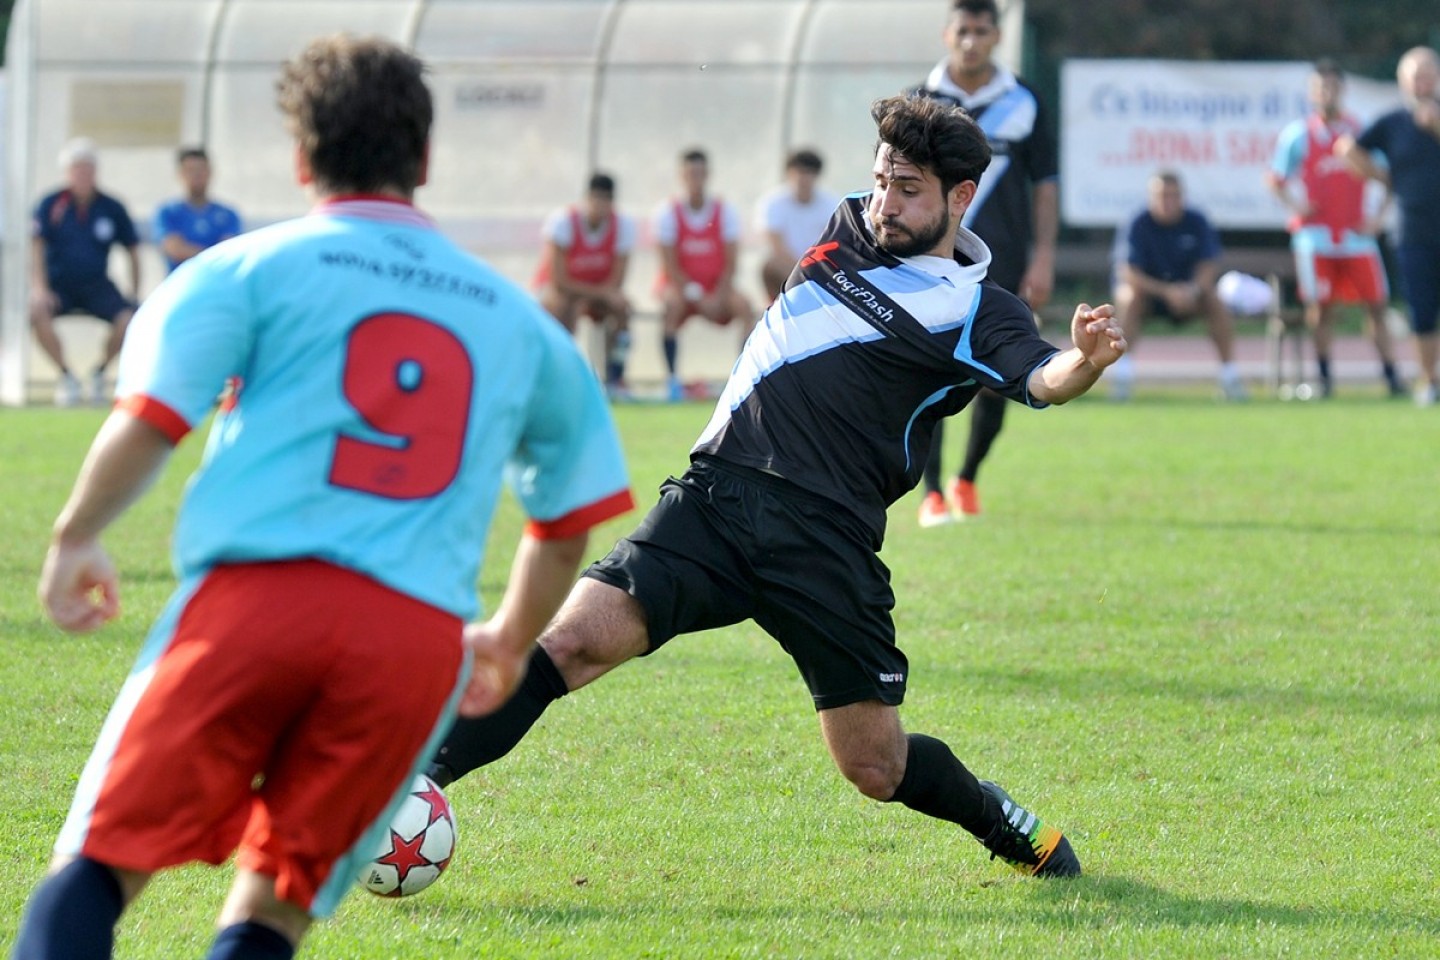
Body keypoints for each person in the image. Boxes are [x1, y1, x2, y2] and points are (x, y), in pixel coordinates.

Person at [11, 35, 633, 960]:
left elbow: (152, 419)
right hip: (409, 645)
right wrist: (506, 638)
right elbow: (565, 521)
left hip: (253, 606)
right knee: (272, 910)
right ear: (423, 160)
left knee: (100, 865)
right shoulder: (516, 321)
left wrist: (77, 535)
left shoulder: (244, 270)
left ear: (300, 157)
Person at [429, 93, 1132, 882]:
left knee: (875, 767)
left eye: (908, 191)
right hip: (715, 498)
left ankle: (1007, 824)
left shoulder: (976, 309)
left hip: (825, 543)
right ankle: (416, 785)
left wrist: (1086, 362)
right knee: (569, 643)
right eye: (879, 181)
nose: (884, 205)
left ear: (960, 199)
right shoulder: (845, 229)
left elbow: (1042, 377)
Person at [913, 0, 1058, 527]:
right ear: (947, 34)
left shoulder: (1023, 100)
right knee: (928, 373)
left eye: (982, 31)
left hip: (1007, 262)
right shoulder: (920, 101)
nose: (971, 41)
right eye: (963, 31)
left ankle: (967, 477)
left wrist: (1043, 256)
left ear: (997, 36)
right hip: (931, 262)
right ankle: (930, 493)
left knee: (999, 371)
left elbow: (1046, 187)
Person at [1267, 61, 1405, 399]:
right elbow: (1276, 179)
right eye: (1320, 87)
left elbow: (1387, 176)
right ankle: (1326, 379)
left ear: (1342, 90)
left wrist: (1378, 218)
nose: (1326, 93)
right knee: (1322, 309)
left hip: (1357, 237)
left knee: (1376, 305)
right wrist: (1297, 207)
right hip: (1315, 239)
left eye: (1332, 86)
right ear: (1312, 92)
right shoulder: (1298, 135)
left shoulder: (1359, 131)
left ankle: (1391, 377)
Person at [1338, 46, 1440, 406]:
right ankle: (1430, 381)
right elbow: (1348, 149)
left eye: (1428, 73)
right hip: (1413, 230)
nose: (1421, 81)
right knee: (1422, 310)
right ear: (1403, 82)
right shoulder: (1393, 121)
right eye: (1415, 75)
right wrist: (1383, 178)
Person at [1108, 170, 1247, 401]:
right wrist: (1166, 292)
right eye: (1162, 195)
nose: (1167, 201)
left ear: (1182, 196)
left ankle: (1230, 377)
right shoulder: (1137, 222)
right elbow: (1129, 271)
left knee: (1215, 298)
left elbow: (1209, 265)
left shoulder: (1196, 221)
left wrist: (1192, 290)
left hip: (1190, 296)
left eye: (1173, 195)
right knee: (1128, 296)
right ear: (1151, 197)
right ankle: (1122, 378)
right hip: (1149, 296)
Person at [29, 138, 141, 407]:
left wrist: (134, 291)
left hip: (97, 285)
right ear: (67, 173)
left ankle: (99, 374)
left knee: (130, 319)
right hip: (59, 285)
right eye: (77, 169)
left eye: (87, 169)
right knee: (36, 311)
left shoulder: (111, 207)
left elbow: (132, 249)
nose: (82, 175)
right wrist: (40, 289)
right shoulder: (50, 204)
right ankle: (67, 377)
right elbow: (36, 247)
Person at [654, 148, 752, 402]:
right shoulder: (668, 212)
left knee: (744, 307)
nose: (695, 179)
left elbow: (731, 262)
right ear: (681, 176)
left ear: (707, 175)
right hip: (681, 288)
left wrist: (718, 295)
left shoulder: (724, 210)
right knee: (671, 305)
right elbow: (669, 265)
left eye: (699, 173)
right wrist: (696, 296)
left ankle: (743, 379)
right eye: (690, 174)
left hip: (716, 289)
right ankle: (672, 381)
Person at [533, 172, 636, 397]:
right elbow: (558, 281)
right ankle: (558, 376)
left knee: (622, 307)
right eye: (595, 199)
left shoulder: (623, 225)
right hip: (560, 292)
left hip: (592, 293)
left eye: (605, 200)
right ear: (586, 199)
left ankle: (615, 378)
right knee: (561, 307)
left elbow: (617, 282)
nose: (599, 206)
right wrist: (592, 295)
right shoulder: (563, 222)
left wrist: (594, 296)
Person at [755, 148, 839, 302]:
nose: (803, 178)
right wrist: (802, 272)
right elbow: (776, 247)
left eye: (809, 172)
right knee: (770, 265)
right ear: (789, 173)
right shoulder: (773, 202)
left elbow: (836, 243)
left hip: (820, 270)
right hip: (786, 270)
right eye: (799, 172)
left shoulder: (831, 203)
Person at [154, 146, 243, 273]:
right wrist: (213, 254)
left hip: (216, 284)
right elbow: (175, 250)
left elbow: (228, 253)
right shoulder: (168, 212)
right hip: (180, 286)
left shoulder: (228, 214)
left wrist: (192, 252)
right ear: (180, 174)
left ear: (210, 172)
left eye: (201, 170)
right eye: (190, 170)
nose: (196, 175)